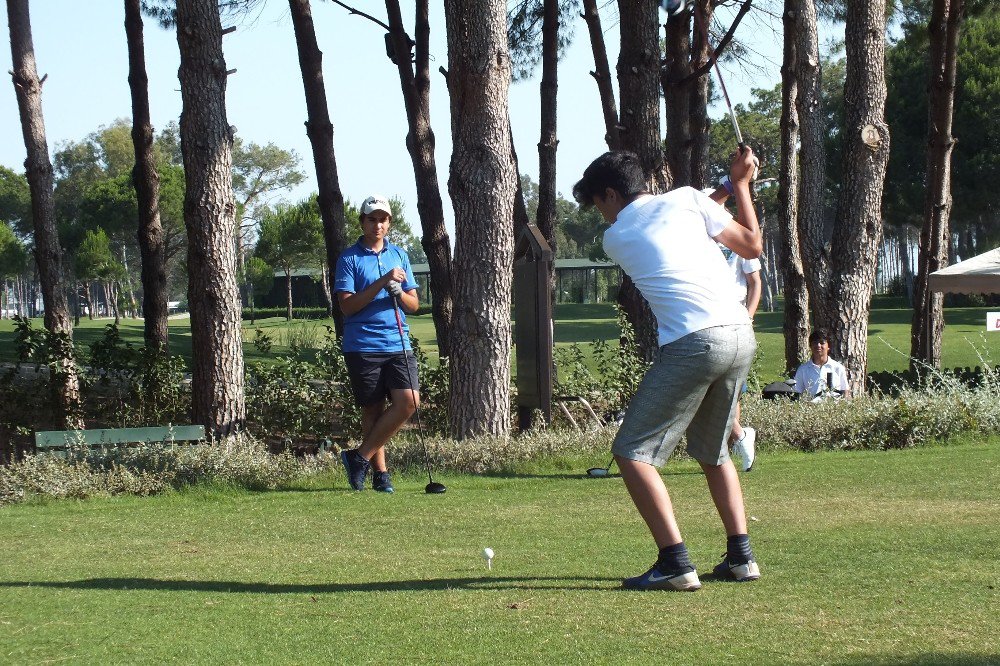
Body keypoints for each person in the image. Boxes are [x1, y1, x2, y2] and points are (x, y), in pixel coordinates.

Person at [573, 148, 762, 591]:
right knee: (714, 451)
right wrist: (740, 186)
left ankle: (675, 562)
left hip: (694, 343)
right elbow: (750, 243)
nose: (602, 215)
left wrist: (733, 187)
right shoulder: (689, 199)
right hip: (740, 332)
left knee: (631, 452)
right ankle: (741, 558)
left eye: (599, 204)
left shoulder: (616, 238)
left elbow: (676, 218)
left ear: (612, 194)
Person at [333, 194, 420, 493]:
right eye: (372, 219)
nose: (378, 224)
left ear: (389, 223)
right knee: (372, 408)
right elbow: (348, 306)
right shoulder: (349, 258)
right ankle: (381, 475)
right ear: (362, 222)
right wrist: (382, 282)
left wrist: (399, 293)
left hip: (398, 341)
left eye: (383, 219)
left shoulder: (400, 255)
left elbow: (414, 305)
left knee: (409, 402)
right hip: (363, 345)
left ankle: (358, 458)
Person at [705, 179, 761, 473]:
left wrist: (748, 318)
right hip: (708, 319)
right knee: (712, 390)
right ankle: (738, 436)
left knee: (729, 391)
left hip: (735, 318)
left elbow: (755, 284)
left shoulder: (737, 241)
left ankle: (735, 438)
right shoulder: (700, 244)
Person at [793, 329, 850, 400]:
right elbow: (797, 393)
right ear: (810, 346)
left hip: (834, 408)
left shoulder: (838, 368)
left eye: (822, 343)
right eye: (814, 343)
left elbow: (845, 392)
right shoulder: (803, 369)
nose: (818, 345)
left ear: (828, 346)